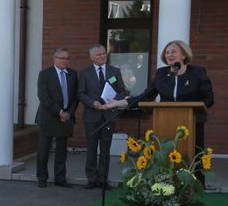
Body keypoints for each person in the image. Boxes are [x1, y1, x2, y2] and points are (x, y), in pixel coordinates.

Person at [129, 39, 215, 152]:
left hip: (192, 123)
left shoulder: (197, 72)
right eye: (167, 52)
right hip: (165, 122)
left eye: (173, 52)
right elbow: (146, 96)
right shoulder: (162, 73)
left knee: (193, 159)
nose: (169, 55)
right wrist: (119, 103)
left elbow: (209, 98)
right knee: (165, 156)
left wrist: (194, 109)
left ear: (184, 55)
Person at [78, 44, 127, 190]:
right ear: (91, 57)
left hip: (109, 116)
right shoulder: (85, 73)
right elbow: (80, 94)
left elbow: (122, 91)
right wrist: (92, 103)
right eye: (99, 55)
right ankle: (91, 179)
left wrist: (114, 101)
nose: (102, 56)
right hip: (92, 116)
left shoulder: (114, 71)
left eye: (104, 53)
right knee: (92, 149)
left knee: (106, 149)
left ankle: (103, 179)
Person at [35, 47, 78, 188]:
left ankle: (60, 178)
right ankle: (42, 178)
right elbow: (43, 97)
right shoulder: (45, 74)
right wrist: (59, 112)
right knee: (44, 149)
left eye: (67, 58)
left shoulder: (72, 74)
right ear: (55, 59)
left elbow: (75, 98)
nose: (65, 61)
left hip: (66, 117)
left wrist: (68, 113)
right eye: (62, 58)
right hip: (48, 116)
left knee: (61, 150)